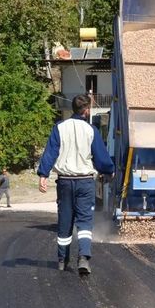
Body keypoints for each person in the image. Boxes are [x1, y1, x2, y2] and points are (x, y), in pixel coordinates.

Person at [37, 94, 114, 275]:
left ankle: (62, 260)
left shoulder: (59, 128)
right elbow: (101, 157)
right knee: (85, 221)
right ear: (86, 110)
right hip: (85, 182)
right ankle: (83, 258)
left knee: (65, 220)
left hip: (64, 182)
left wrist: (43, 174)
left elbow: (50, 152)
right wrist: (109, 170)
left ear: (73, 108)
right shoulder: (91, 130)